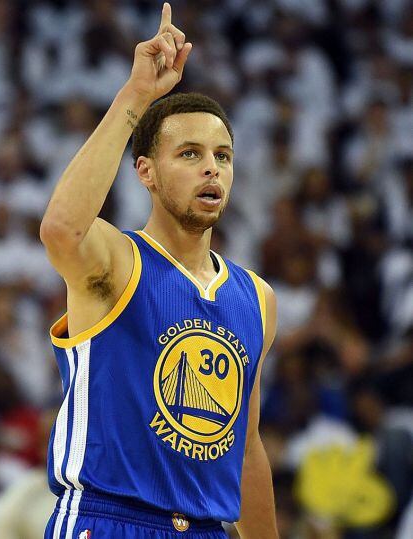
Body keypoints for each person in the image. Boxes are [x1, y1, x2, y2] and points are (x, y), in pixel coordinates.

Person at [39, 4, 278, 538]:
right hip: (107, 519)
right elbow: (61, 230)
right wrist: (136, 96)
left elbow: (246, 446)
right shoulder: (116, 260)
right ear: (144, 170)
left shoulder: (256, 296)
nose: (212, 167)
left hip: (207, 527)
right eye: (190, 154)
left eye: (223, 155)